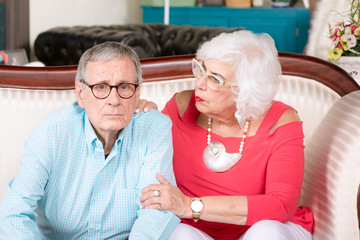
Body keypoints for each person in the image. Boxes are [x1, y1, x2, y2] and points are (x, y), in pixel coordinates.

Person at [140, 31, 314, 239]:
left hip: (261, 227)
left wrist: (190, 206)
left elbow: (281, 205)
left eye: (214, 79)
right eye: (201, 70)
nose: (199, 83)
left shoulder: (279, 121)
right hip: (195, 230)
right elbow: (140, 157)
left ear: (245, 91)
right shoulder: (181, 106)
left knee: (266, 233)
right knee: (176, 234)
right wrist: (138, 119)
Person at [0, 41, 179, 239]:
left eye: (125, 86)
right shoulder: (51, 133)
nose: (114, 100)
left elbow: (156, 210)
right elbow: (14, 214)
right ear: (80, 94)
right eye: (101, 87)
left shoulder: (155, 128)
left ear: (137, 93)